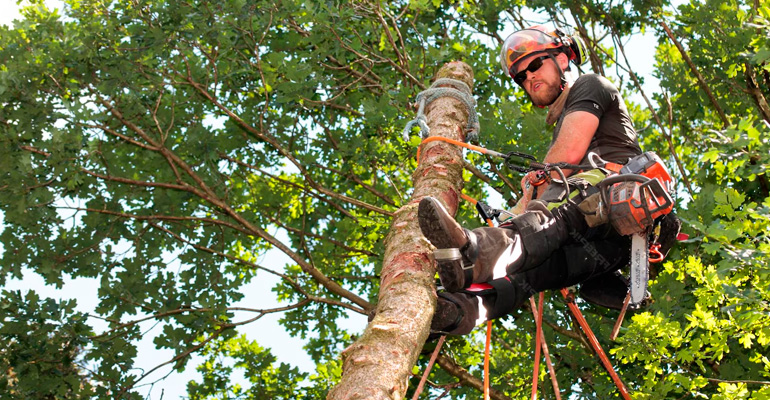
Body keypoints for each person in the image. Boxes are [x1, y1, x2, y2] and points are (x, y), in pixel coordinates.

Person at [423, 26, 678, 336]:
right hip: (603, 248)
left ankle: (471, 252)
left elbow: (566, 157)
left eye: (534, 65)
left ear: (561, 57)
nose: (528, 77)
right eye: (520, 77)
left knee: (551, 215)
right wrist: (525, 201)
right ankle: (454, 311)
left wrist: (540, 185)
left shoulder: (590, 85)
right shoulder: (563, 121)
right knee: (528, 273)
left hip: (609, 199)